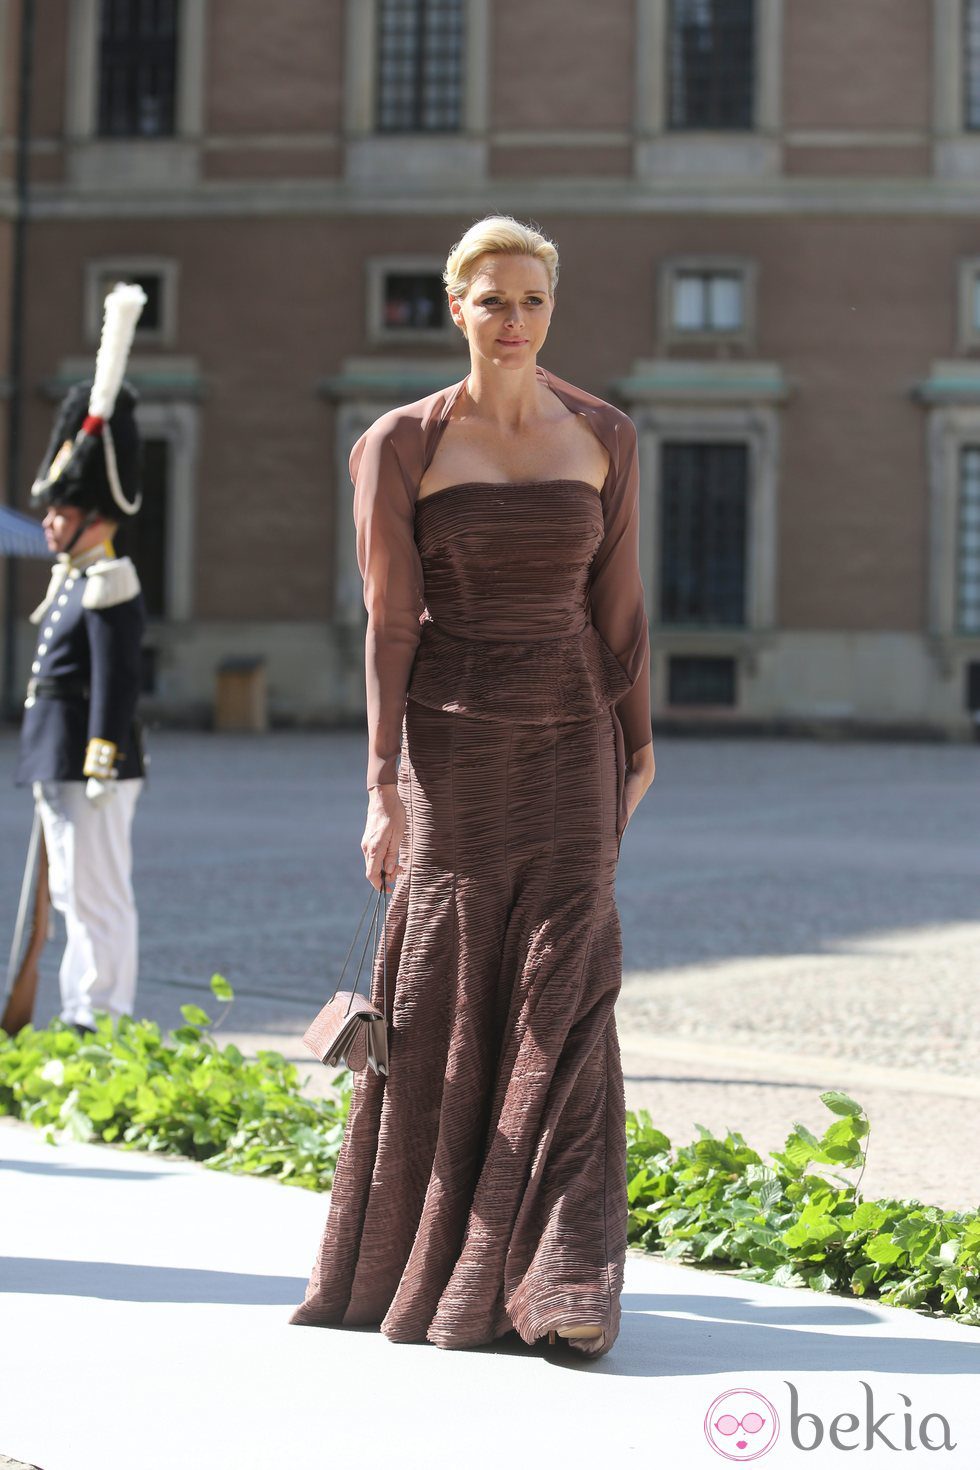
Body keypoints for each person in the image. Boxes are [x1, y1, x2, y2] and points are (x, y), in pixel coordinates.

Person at [291, 216, 655, 1357]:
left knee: (571, 996)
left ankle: (560, 1279)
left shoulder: (602, 431)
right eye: (491, 300)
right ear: (454, 306)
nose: (512, 322)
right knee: (445, 998)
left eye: (532, 302)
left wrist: (636, 747)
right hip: (448, 749)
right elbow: (389, 623)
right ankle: (443, 1262)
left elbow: (619, 607)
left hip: (572, 742)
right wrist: (377, 783)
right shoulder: (399, 442)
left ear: (553, 308)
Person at [15, 369, 146, 1033]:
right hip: (57, 755)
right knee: (69, 892)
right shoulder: (74, 580)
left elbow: (117, 678)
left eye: (60, 513)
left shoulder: (111, 579)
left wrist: (103, 754)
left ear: (94, 518)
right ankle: (78, 1010)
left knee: (97, 893)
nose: (48, 521)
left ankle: (102, 1015)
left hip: (89, 761)